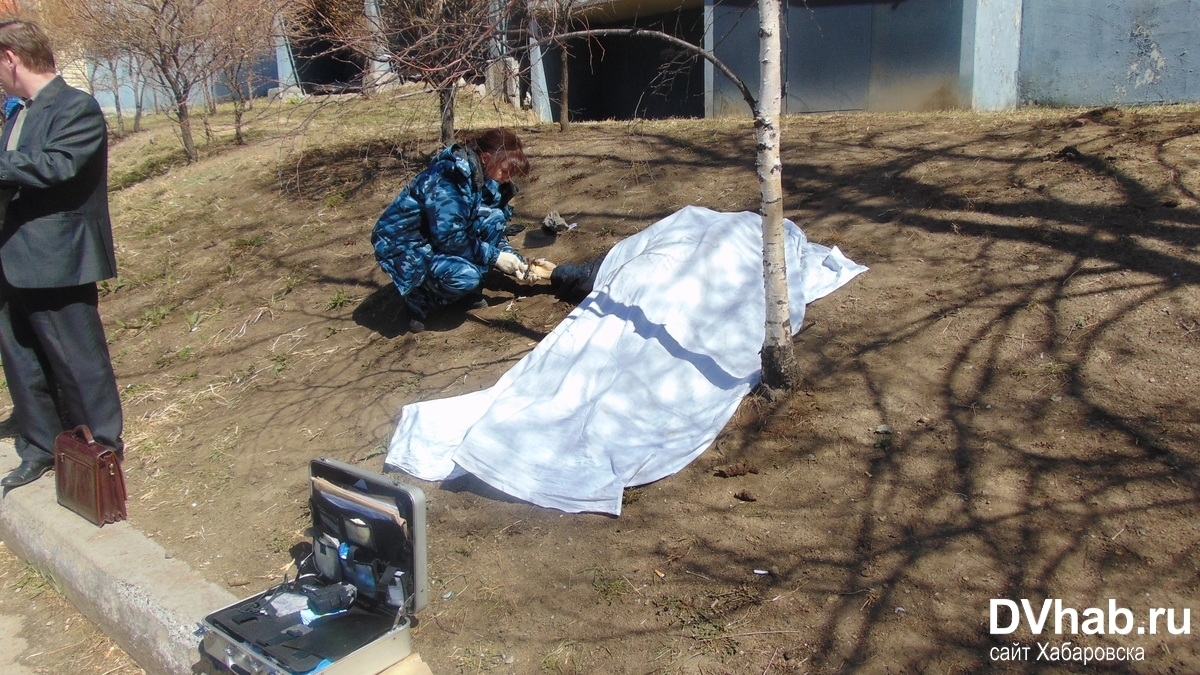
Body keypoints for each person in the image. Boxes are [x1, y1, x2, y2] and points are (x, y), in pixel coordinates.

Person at [0, 20, 123, 488]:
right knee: (21, 357)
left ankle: (102, 449)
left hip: (56, 255)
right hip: (11, 253)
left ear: (10, 57)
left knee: (77, 357)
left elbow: (58, 165)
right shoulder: (18, 113)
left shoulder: (76, 107)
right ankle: (40, 445)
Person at [372, 128, 531, 333]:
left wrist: (513, 258)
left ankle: (467, 293)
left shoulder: (479, 176)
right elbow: (450, 238)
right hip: (405, 245)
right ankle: (419, 297)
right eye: (505, 171)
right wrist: (495, 257)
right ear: (486, 157)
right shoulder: (450, 178)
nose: (507, 179)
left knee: (494, 218)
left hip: (435, 237)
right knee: (465, 276)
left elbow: (486, 222)